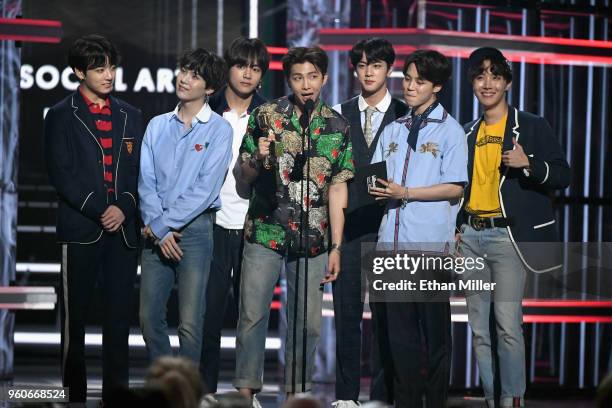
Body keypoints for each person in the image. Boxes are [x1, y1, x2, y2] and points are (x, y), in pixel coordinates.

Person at [233, 46, 354, 406]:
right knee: (252, 314)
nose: (306, 85)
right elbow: (245, 176)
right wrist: (259, 157)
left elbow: (337, 187)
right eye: (298, 77)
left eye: (312, 76)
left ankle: (296, 395)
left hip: (313, 239)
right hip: (265, 231)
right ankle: (245, 394)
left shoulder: (338, 125)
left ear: (324, 78)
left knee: (308, 324)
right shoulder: (266, 115)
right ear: (288, 80)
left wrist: (337, 246)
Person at [457, 47, 570, 408]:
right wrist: (458, 227)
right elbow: (463, 187)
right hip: (471, 238)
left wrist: (529, 163)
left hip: (507, 238)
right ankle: (492, 399)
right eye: (480, 76)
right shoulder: (467, 131)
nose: (487, 83)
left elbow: (564, 175)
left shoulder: (531, 125)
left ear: (507, 81)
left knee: (507, 325)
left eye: (494, 75)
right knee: (478, 330)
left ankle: (512, 401)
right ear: (473, 83)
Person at [44, 34, 143, 403]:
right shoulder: (59, 115)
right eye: (99, 68)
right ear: (78, 72)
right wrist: (100, 208)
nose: (108, 75)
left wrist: (124, 206)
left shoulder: (130, 115)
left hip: (123, 233)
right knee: (76, 322)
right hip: (81, 228)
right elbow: (60, 172)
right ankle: (74, 395)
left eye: (111, 67)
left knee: (119, 320)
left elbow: (138, 171)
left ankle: (116, 395)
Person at [369, 50, 468, 407]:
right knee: (401, 340)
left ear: (437, 86)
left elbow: (456, 186)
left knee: (436, 339)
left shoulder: (451, 132)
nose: (409, 86)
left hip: (429, 250)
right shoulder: (394, 128)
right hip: (390, 247)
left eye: (419, 81)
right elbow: (379, 179)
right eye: (407, 79)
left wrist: (406, 192)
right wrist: (377, 188)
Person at [138, 48, 232, 365]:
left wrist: (165, 226)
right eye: (184, 70)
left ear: (209, 88)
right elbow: (145, 181)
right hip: (155, 230)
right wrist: (159, 228)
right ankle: (165, 388)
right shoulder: (156, 125)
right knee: (149, 317)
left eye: (194, 75)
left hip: (195, 231)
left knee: (191, 323)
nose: (184, 78)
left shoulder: (219, 129)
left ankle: (186, 394)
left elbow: (205, 189)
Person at [331, 37, 408, 407]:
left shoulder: (407, 115)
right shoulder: (337, 113)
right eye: (362, 65)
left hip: (392, 227)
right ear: (354, 69)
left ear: (388, 69)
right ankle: (346, 396)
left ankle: (381, 395)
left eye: (375, 65)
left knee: (386, 318)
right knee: (346, 315)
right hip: (347, 228)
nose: (368, 72)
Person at [200, 36, 269, 394]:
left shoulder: (271, 116)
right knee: (206, 316)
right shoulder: (203, 109)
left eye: (255, 68)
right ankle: (204, 392)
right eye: (241, 65)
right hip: (210, 223)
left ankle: (246, 393)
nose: (247, 74)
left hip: (253, 226)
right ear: (228, 68)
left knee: (252, 316)